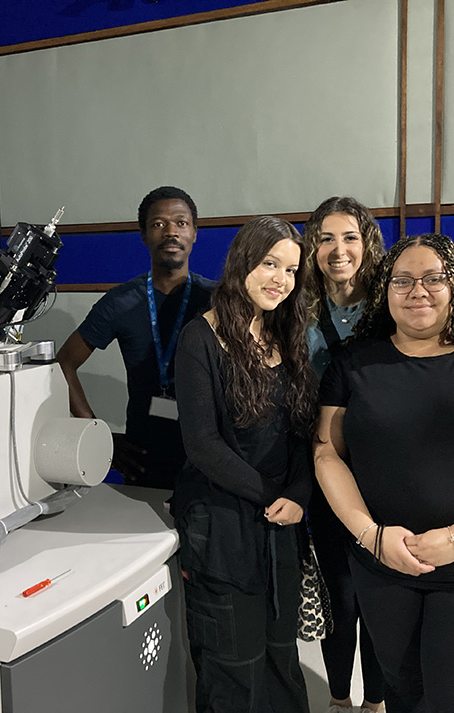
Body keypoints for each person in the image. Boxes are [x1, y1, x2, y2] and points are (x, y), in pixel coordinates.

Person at [314, 233, 454, 713]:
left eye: (433, 278)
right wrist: (370, 535)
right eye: (402, 280)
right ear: (385, 291)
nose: (417, 290)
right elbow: (326, 453)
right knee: (405, 695)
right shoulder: (353, 363)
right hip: (383, 566)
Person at [173, 216, 315, 713]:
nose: (280, 278)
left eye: (291, 269)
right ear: (242, 264)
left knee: (280, 655)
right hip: (222, 522)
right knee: (233, 663)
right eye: (269, 263)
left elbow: (303, 433)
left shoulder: (287, 334)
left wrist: (299, 495)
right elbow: (203, 445)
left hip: (281, 524)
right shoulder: (201, 338)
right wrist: (272, 497)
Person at [56, 186, 216, 489]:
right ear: (143, 235)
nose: (171, 232)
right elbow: (63, 363)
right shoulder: (121, 301)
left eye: (181, 223)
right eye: (158, 224)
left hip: (209, 456)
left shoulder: (217, 299)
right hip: (144, 456)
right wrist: (98, 437)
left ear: (195, 233)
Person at [303, 197, 386, 713]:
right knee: (337, 588)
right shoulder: (298, 306)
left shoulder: (389, 302)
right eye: (327, 238)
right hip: (323, 461)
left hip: (383, 464)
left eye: (350, 237)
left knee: (379, 589)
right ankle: (338, 699)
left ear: (367, 243)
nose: (339, 250)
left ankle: (376, 702)